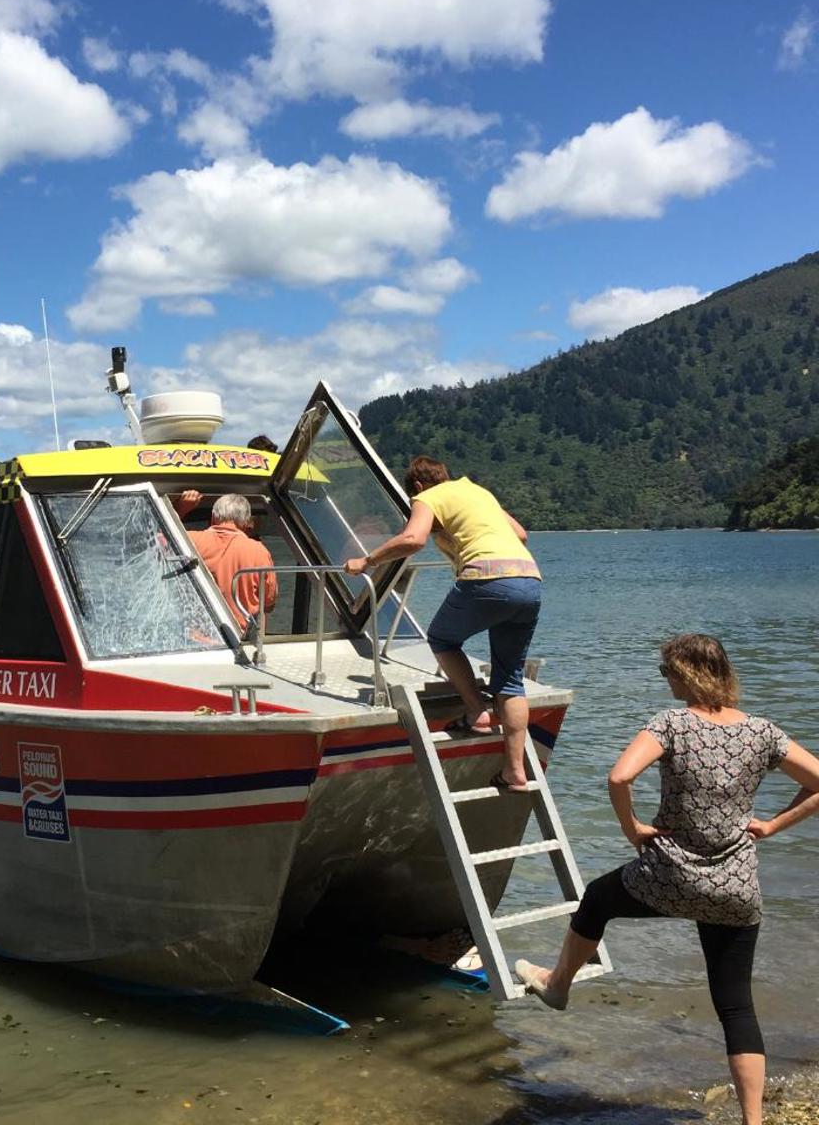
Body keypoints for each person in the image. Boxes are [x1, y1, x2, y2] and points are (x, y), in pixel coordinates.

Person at [514, 634, 819, 1125]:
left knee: (597, 898)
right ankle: (753, 1121)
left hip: (669, 876)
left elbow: (618, 778)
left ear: (686, 674)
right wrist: (771, 826)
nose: (666, 681)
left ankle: (557, 986)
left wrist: (631, 828)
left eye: (667, 672)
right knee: (736, 1006)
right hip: (735, 886)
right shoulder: (763, 732)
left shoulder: (672, 724)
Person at [343, 456, 540, 791]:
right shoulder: (477, 491)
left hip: (487, 578)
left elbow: (413, 539)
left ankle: (476, 710)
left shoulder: (428, 497)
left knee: (442, 639)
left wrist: (367, 560)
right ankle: (515, 772)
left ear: (418, 486)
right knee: (510, 679)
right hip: (530, 581)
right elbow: (520, 534)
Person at [176, 491, 277, 628]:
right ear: (246, 522)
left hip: (198, 638)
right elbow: (269, 603)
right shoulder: (260, 551)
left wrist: (180, 509)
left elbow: (153, 538)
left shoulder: (189, 540)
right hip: (241, 638)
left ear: (213, 517)